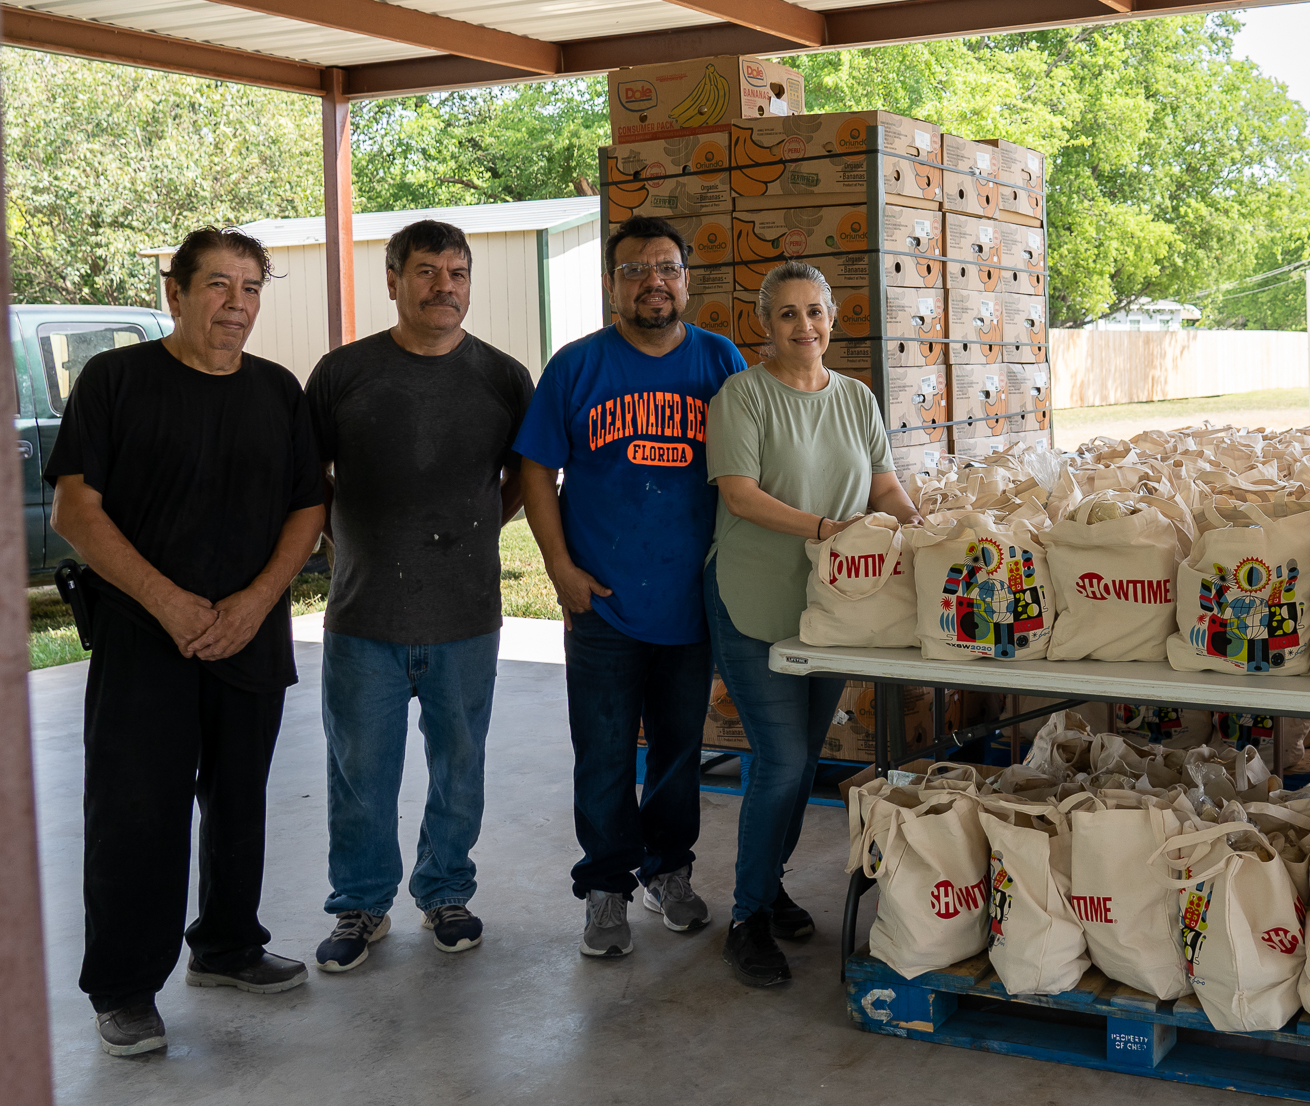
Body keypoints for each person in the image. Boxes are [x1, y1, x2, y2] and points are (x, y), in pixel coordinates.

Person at [47, 228, 326, 1057]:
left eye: (250, 288)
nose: (236, 305)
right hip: (142, 636)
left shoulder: (279, 391)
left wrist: (254, 602)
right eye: (218, 286)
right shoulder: (117, 380)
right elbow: (74, 511)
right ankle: (127, 987)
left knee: (241, 800)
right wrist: (169, 603)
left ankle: (230, 943)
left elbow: (307, 509)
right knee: (138, 811)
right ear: (175, 292)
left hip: (250, 632)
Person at [306, 219, 534, 972]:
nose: (445, 286)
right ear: (393, 279)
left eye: (458, 272)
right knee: (360, 769)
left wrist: (472, 533)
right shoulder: (341, 374)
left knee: (458, 763)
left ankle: (446, 890)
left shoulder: (502, 377)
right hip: (362, 615)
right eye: (428, 271)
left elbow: (523, 482)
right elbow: (311, 485)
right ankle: (360, 905)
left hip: (466, 614)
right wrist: (355, 540)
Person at [515, 216, 746, 959]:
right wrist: (559, 568)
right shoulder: (577, 366)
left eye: (668, 267)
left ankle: (668, 872)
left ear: (687, 279)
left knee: (679, 750)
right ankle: (607, 886)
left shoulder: (721, 361)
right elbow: (534, 471)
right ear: (612, 283)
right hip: (603, 600)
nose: (654, 281)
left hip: (693, 596)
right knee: (605, 751)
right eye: (636, 269)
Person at [704, 262, 920, 985]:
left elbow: (884, 485)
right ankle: (746, 917)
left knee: (800, 764)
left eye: (816, 312)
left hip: (831, 611)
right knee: (784, 760)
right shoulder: (743, 395)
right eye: (788, 313)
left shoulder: (856, 398)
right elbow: (739, 496)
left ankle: (770, 884)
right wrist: (830, 527)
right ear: (764, 324)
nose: (805, 327)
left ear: (834, 318)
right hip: (754, 601)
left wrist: (925, 533)